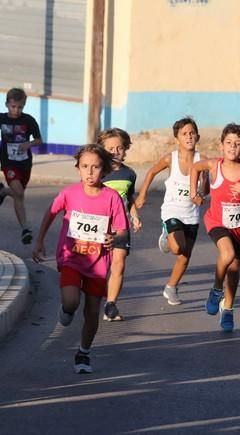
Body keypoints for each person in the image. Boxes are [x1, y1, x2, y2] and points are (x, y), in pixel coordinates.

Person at [32, 144, 128, 374]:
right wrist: (39, 240)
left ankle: (84, 352)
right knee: (72, 301)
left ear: (104, 170)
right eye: (85, 166)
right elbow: (51, 212)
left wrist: (113, 238)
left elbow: (122, 230)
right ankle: (66, 309)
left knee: (92, 312)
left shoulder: (111, 197)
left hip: (97, 264)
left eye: (95, 167)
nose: (90, 172)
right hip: (71, 259)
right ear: (78, 169)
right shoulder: (69, 193)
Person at [189, 123, 240, 332]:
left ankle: (229, 308)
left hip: (239, 225)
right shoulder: (215, 165)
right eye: (229, 143)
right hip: (216, 221)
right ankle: (216, 289)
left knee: (234, 269)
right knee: (227, 253)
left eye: (238, 144)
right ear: (221, 145)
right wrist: (194, 192)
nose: (233, 147)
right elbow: (195, 168)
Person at [135, 116, 206, 306]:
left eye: (192, 133)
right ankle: (167, 234)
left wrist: (202, 193)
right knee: (176, 248)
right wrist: (142, 195)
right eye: (184, 134)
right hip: (172, 210)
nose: (189, 136)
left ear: (197, 136)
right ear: (177, 139)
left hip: (192, 214)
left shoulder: (203, 160)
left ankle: (171, 287)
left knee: (184, 257)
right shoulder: (171, 159)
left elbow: (206, 189)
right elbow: (151, 172)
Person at [0, 88, 42, 244]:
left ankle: (2, 191)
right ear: (7, 104)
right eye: (13, 106)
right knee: (19, 193)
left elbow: (38, 140)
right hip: (8, 162)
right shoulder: (1, 118)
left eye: (20, 107)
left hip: (24, 163)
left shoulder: (28, 121)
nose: (16, 110)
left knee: (19, 192)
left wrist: (28, 144)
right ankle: (25, 228)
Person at [96, 128, 140, 321]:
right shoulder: (97, 172)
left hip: (120, 227)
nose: (115, 152)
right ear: (103, 150)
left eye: (119, 148)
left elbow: (129, 200)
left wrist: (135, 216)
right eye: (110, 148)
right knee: (98, 267)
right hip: (98, 226)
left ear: (125, 149)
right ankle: (91, 298)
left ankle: (110, 304)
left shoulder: (129, 174)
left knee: (118, 264)